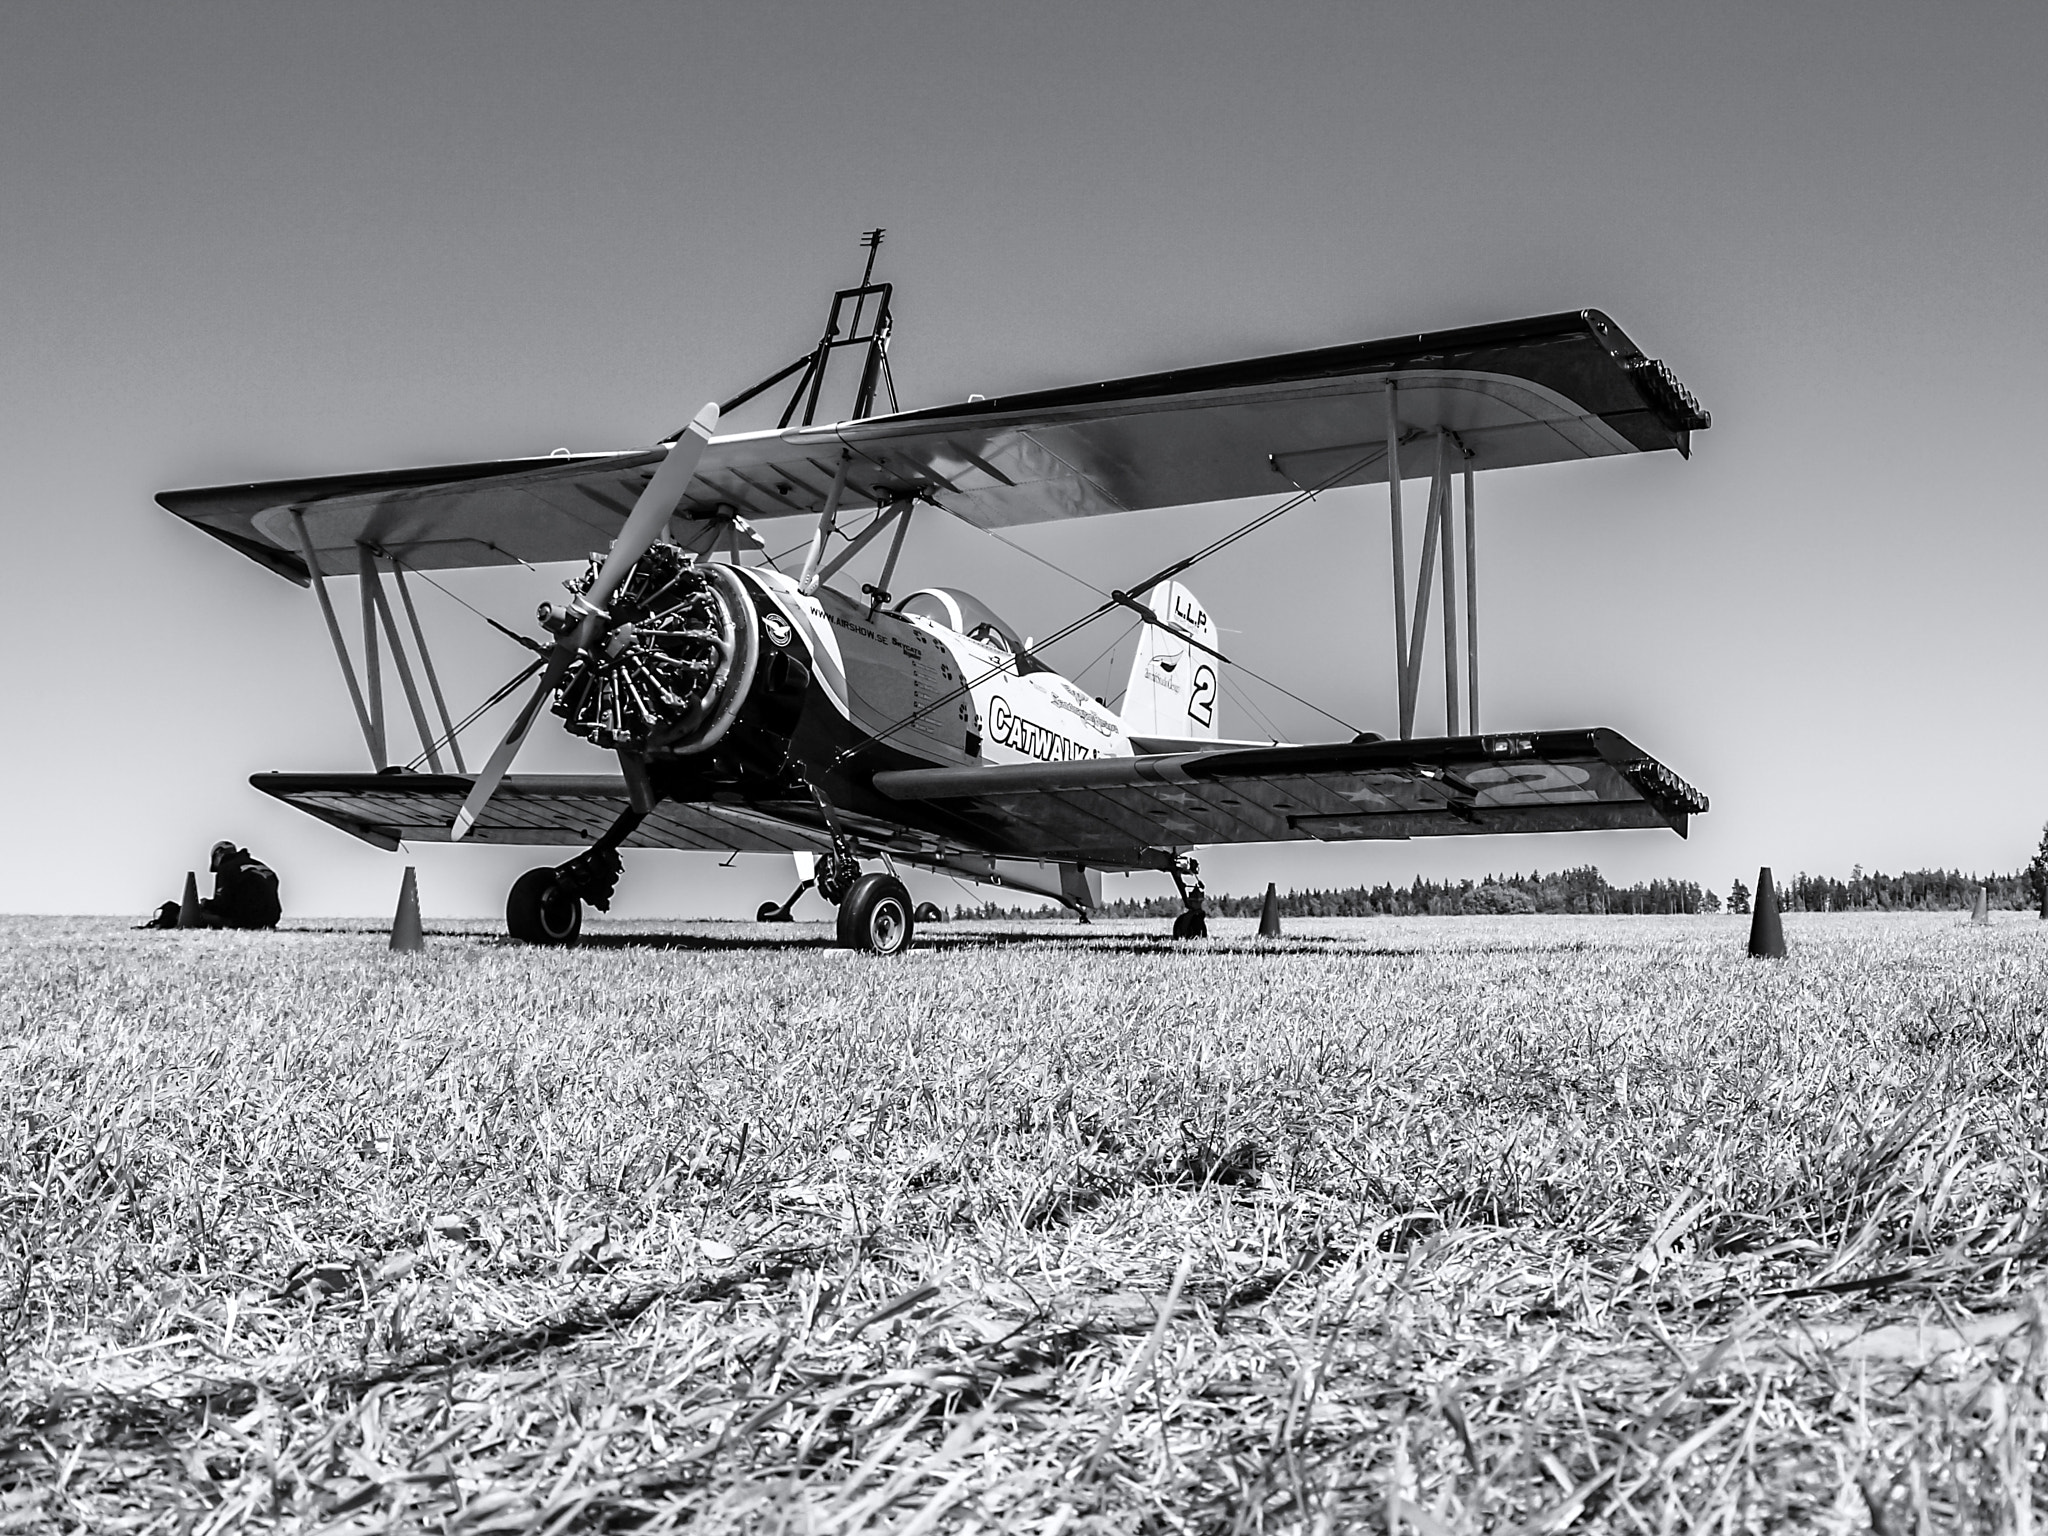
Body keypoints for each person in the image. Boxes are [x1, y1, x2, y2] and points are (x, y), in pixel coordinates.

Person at [148, 841, 282, 929]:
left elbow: (222, 905)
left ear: (218, 855)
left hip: (245, 921)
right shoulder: (261, 866)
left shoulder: (227, 868)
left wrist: (206, 904)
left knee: (188, 915)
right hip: (271, 920)